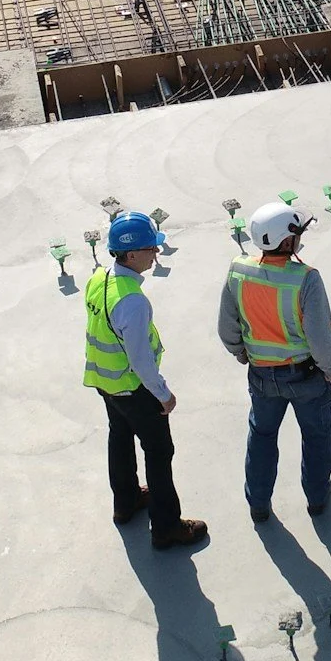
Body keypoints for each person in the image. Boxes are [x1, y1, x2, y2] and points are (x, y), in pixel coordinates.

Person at [85, 211, 208, 551]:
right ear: (132, 254)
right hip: (132, 388)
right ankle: (167, 527)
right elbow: (140, 359)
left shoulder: (100, 278)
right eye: (152, 248)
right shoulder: (133, 301)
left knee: (120, 438)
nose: (157, 253)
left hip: (104, 381)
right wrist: (163, 394)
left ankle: (125, 503)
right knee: (159, 451)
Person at [218, 199, 331, 520]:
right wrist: (330, 368)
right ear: (287, 241)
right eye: (297, 233)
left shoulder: (239, 271)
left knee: (261, 437)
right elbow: (319, 336)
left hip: (261, 375)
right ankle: (316, 499)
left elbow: (227, 328)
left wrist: (242, 353)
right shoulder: (306, 278)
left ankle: (258, 504)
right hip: (307, 377)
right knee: (316, 437)